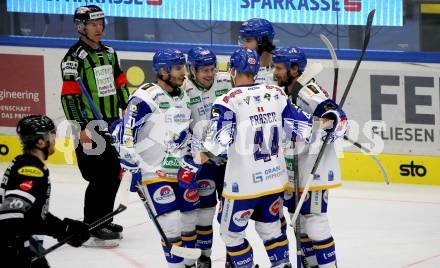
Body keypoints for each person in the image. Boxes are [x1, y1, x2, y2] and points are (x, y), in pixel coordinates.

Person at [200, 47, 317, 268]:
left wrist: (197, 156)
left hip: (242, 187)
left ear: (233, 71)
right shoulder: (277, 93)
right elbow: (302, 131)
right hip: (274, 180)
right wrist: (327, 122)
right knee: (271, 231)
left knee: (231, 235)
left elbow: (218, 144)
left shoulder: (226, 100)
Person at [60, 5, 129, 247]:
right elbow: (68, 96)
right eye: (93, 24)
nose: (98, 28)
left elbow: (120, 80)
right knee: (100, 175)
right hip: (89, 126)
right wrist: (81, 128)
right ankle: (93, 223)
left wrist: (124, 106)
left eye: (101, 23)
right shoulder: (73, 58)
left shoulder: (110, 53)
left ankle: (104, 217)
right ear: (81, 27)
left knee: (115, 172)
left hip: (112, 122)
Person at [272, 47, 348, 268]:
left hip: (312, 167)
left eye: (279, 68)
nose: (275, 72)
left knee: (315, 224)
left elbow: (338, 117)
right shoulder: (286, 88)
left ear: (294, 69)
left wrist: (327, 121)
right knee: (302, 225)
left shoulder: (307, 90)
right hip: (294, 167)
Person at [117, 48, 191, 267]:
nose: (182, 73)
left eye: (182, 67)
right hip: (151, 171)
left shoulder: (183, 95)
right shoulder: (146, 96)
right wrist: (129, 161)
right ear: (163, 70)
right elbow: (126, 131)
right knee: (171, 224)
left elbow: (182, 132)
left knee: (188, 224)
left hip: (177, 171)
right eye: (178, 68)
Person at [0, 115, 90, 268]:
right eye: (52, 135)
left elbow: (33, 215)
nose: (55, 139)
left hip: (20, 244)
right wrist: (14, 251)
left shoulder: (23, 163)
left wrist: (64, 229)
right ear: (40, 142)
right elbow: (11, 213)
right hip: (13, 249)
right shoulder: (30, 170)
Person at [177, 47, 231, 268]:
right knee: (204, 216)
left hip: (229, 163)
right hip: (203, 164)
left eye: (211, 69)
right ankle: (204, 258)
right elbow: (180, 129)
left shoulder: (227, 83)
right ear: (192, 70)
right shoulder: (183, 90)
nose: (209, 74)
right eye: (203, 70)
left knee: (231, 216)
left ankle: (233, 259)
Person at [239, 18, 277, 85]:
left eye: (248, 40)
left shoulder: (281, 71)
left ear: (263, 42)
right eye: (243, 41)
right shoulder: (239, 69)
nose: (244, 46)